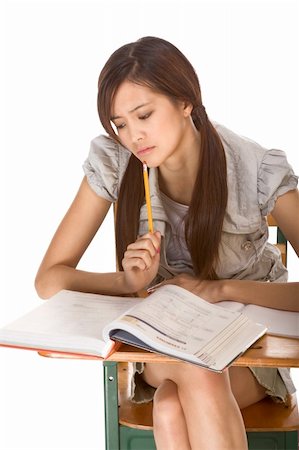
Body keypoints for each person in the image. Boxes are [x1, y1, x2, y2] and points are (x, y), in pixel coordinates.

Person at [35, 36, 299, 450]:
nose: (133, 136)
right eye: (120, 124)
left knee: (170, 407)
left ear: (185, 102)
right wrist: (125, 282)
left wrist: (219, 290)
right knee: (193, 372)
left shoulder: (255, 168)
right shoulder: (117, 164)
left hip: (246, 354)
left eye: (144, 115)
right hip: (166, 348)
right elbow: (49, 281)